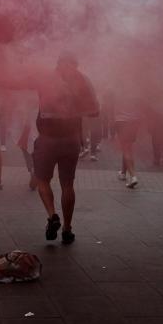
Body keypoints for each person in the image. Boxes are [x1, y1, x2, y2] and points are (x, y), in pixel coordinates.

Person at [32, 52, 98, 244]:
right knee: (67, 184)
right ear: (76, 64)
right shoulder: (83, 81)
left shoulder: (46, 78)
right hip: (70, 139)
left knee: (42, 180)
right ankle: (67, 229)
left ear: (58, 63)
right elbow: (95, 111)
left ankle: (52, 216)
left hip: (47, 138)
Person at [114, 94, 141, 188]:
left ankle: (133, 176)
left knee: (126, 150)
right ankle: (123, 173)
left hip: (122, 121)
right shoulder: (135, 88)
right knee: (127, 147)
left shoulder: (119, 89)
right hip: (134, 121)